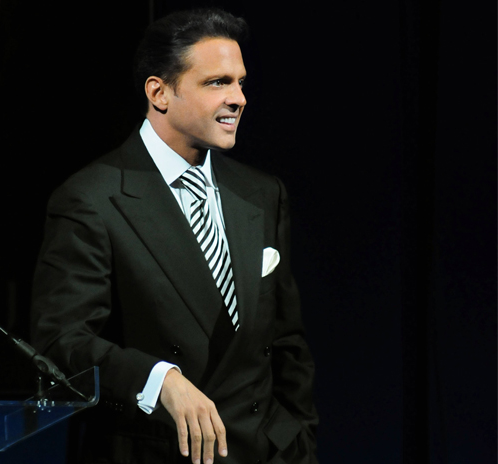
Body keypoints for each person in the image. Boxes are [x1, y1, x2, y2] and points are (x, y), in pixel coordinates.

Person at [31, 8, 318, 464]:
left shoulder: (263, 193)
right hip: (158, 451)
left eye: (240, 82)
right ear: (159, 93)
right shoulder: (93, 199)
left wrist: (299, 443)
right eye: (218, 83)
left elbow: (286, 343)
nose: (239, 98)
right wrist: (158, 378)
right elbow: (61, 342)